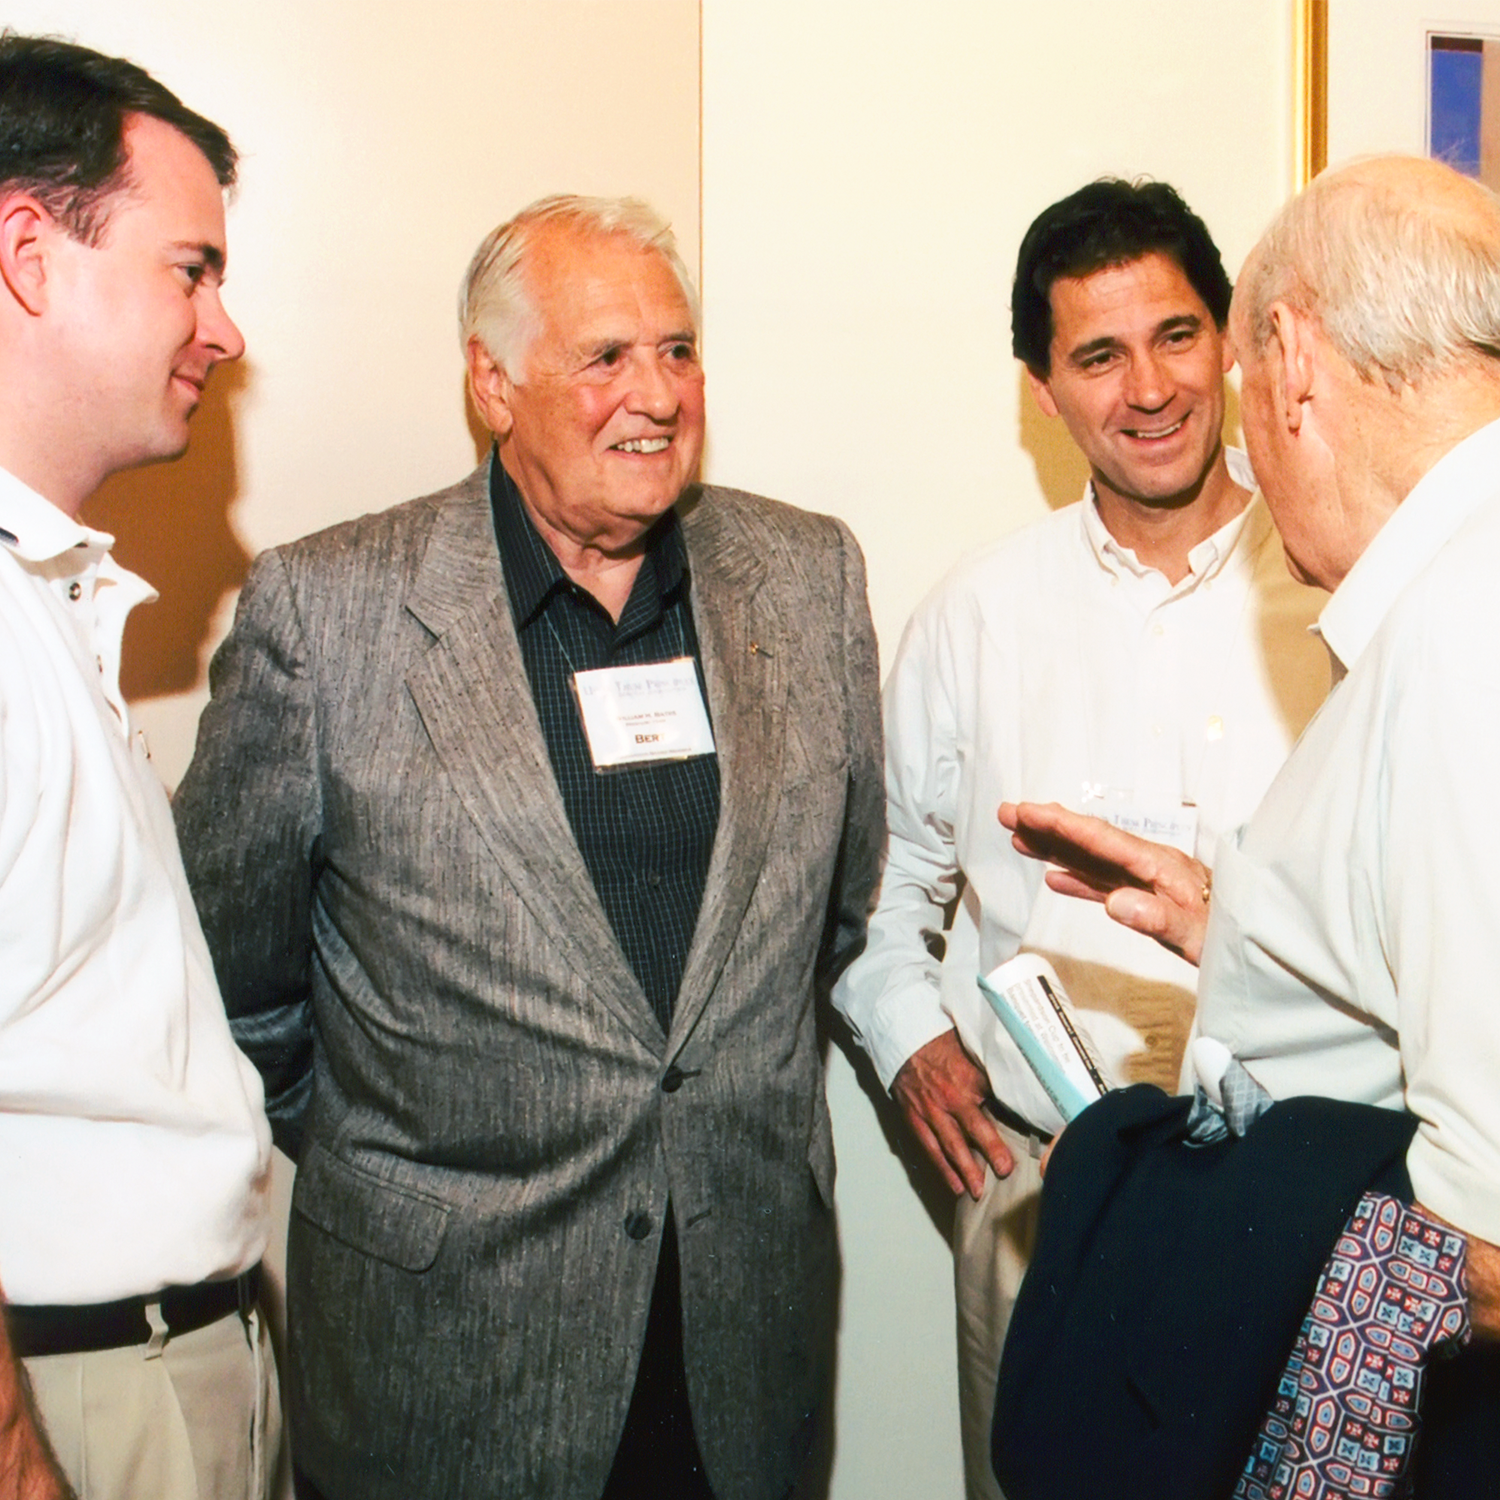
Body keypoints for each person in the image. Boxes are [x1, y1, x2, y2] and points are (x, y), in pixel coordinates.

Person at [172, 193, 883, 1500]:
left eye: (677, 350)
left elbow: (839, 915)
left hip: (737, 1332)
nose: (657, 394)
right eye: (605, 356)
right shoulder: (328, 616)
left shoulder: (808, 578)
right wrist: (411, 1154)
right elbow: (233, 975)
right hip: (452, 1342)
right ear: (492, 382)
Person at [1002, 153, 1500, 1488]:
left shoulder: (1462, 626)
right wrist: (1253, 935)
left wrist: (1154, 1211)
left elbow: (1490, 1232)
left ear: (1283, 357)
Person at [831, 178, 1328, 1500]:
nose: (1148, 388)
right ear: (1041, 391)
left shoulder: (1340, 590)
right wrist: (910, 1041)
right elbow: (876, 890)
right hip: (1045, 1191)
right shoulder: (976, 617)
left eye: (1175, 336)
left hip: (1304, 1186)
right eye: (1097, 355)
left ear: (1231, 343)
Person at [0, 32, 277, 1500]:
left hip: (163, 1368)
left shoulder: (47, 598)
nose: (224, 330)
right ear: (29, 253)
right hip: (77, 1400)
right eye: (192, 269)